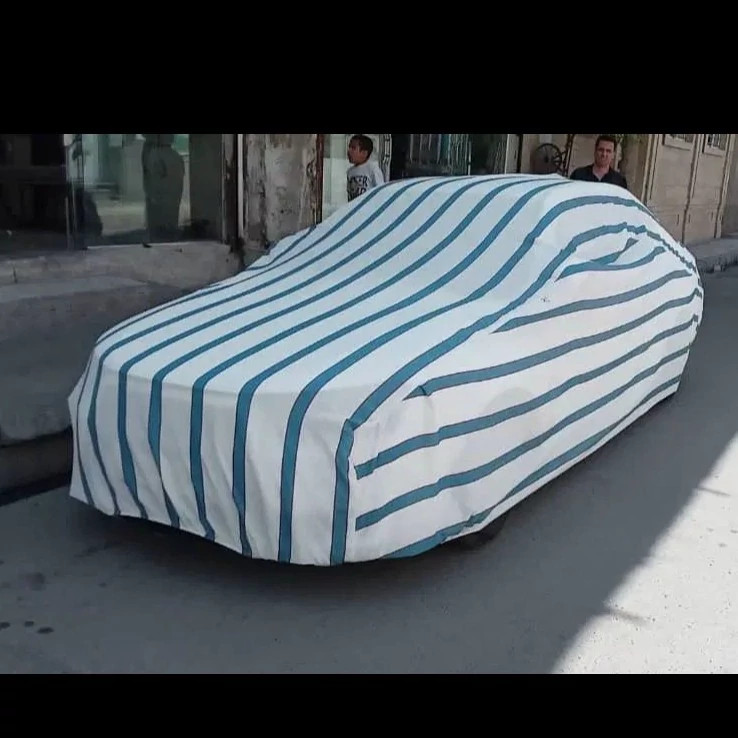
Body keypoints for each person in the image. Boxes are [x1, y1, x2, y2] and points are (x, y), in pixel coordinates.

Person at [347, 134, 384, 201]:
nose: (349, 151)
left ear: (364, 153)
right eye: (349, 147)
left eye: (353, 148)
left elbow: (381, 191)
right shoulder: (350, 172)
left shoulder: (373, 169)